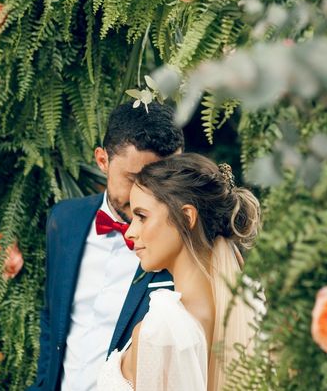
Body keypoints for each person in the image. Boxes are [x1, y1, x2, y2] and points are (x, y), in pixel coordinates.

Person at [30, 101, 185, 391]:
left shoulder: (182, 246)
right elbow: (52, 318)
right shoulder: (64, 220)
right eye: (134, 178)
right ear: (102, 161)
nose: (148, 193)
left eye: (163, 179)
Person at [96, 153, 262, 391]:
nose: (130, 232)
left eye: (142, 216)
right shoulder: (244, 308)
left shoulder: (162, 329)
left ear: (186, 217)